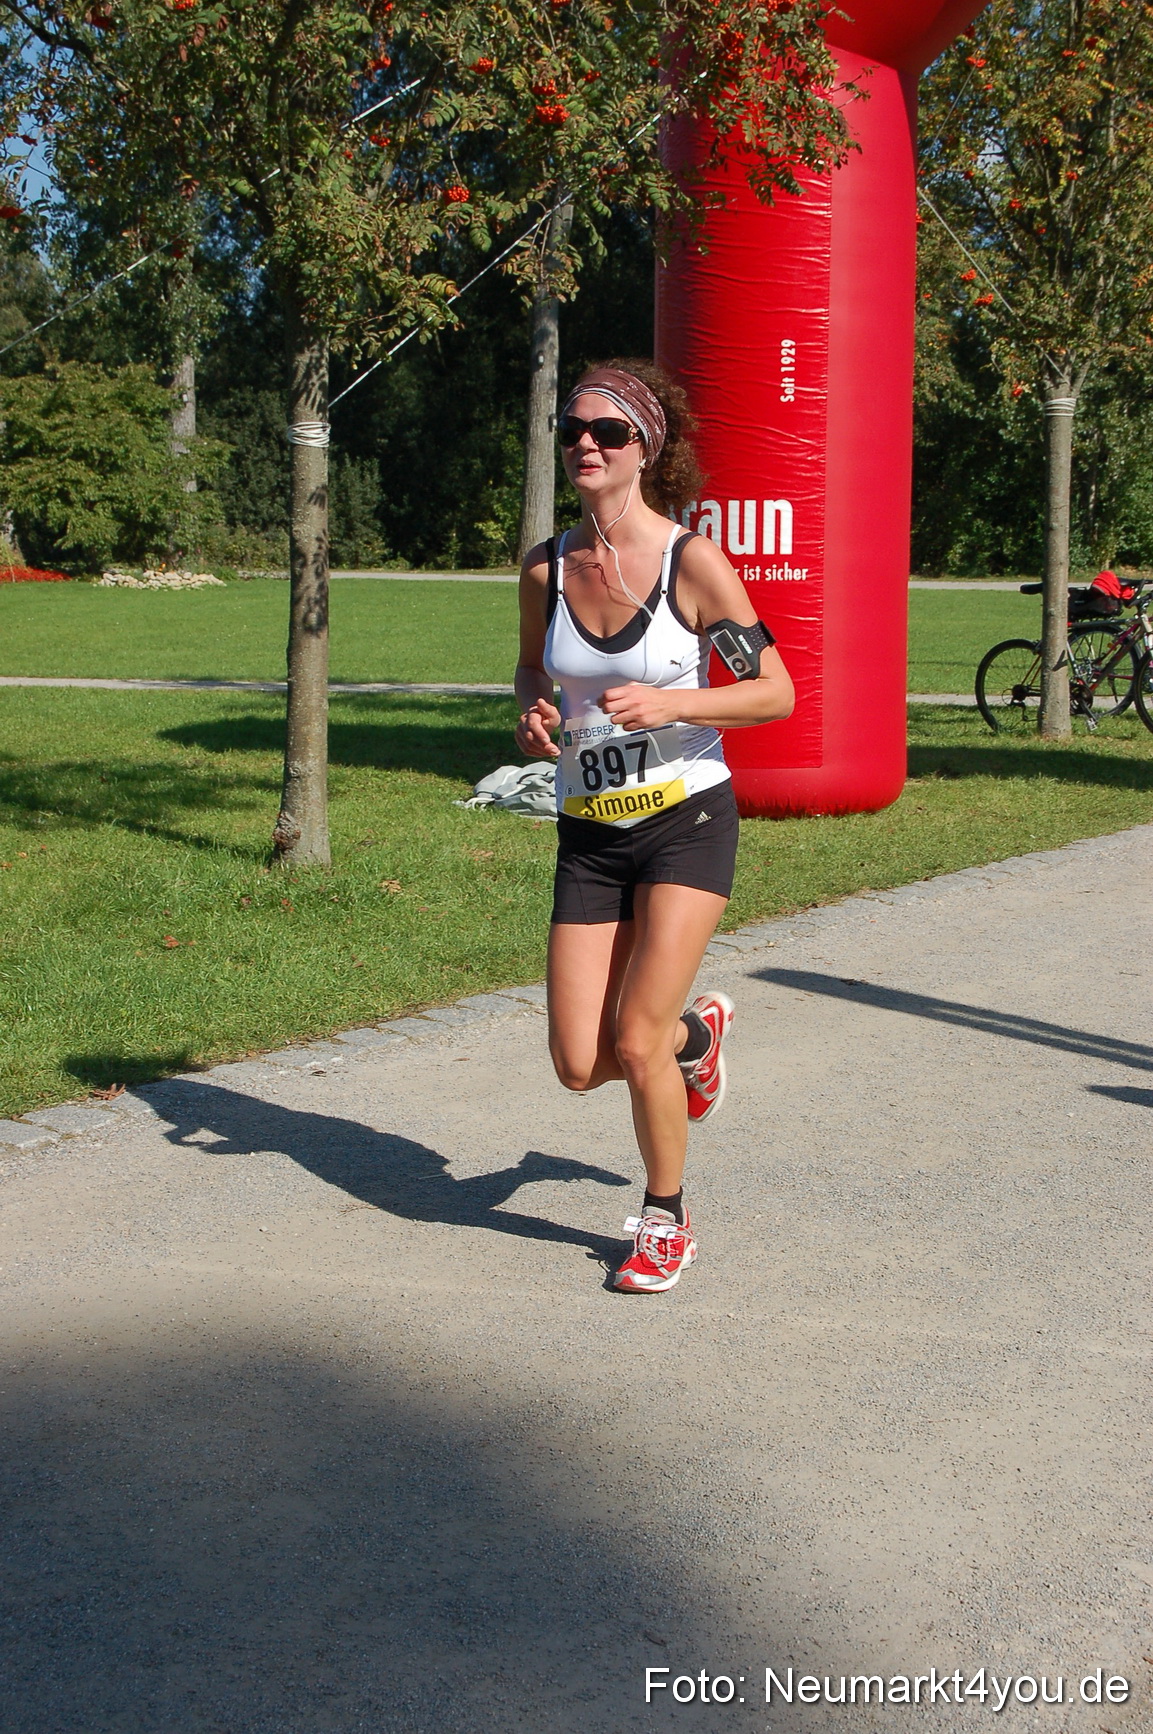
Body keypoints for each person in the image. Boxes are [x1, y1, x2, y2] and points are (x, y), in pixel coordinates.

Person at [515, 359, 795, 1292]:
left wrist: (678, 707)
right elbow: (530, 673)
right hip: (589, 831)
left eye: (609, 432)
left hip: (685, 820)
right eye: (573, 431)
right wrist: (534, 711)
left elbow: (774, 693)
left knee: (633, 1039)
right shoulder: (546, 566)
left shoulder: (693, 564)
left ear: (646, 448)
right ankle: (697, 1043)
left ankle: (663, 1217)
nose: (586, 445)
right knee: (578, 1061)